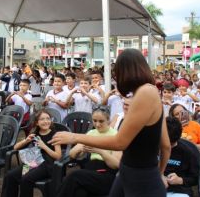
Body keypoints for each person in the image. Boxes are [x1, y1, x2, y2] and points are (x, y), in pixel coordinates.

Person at [50, 48, 171, 197]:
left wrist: (74, 137)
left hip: (140, 178)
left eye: (116, 73)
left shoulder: (145, 92)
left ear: (124, 72)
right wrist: (159, 173)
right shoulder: (150, 92)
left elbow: (120, 142)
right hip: (131, 174)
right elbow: (165, 146)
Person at [57, 107, 122, 197]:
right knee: (79, 192)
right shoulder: (91, 133)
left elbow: (116, 164)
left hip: (106, 174)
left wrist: (100, 151)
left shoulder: (115, 135)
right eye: (94, 121)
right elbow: (72, 154)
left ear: (108, 120)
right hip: (90, 171)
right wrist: (80, 149)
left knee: (74, 175)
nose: (97, 124)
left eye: (101, 121)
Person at [2, 109, 62, 197]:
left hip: (47, 165)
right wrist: (26, 141)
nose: (46, 121)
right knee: (10, 176)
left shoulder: (55, 135)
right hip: (32, 163)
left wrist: (44, 146)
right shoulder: (35, 134)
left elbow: (58, 156)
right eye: (42, 119)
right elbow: (15, 147)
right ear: (37, 123)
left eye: (48, 118)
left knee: (26, 179)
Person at [164, 117, 199, 197]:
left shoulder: (187, 152)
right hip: (153, 187)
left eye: (171, 144)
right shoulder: (152, 148)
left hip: (178, 190)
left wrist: (180, 180)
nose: (166, 146)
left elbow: (195, 178)